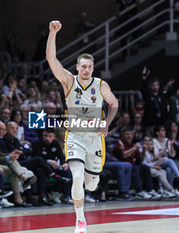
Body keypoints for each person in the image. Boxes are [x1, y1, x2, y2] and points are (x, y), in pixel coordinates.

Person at [46, 20, 118, 233]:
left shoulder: (100, 85)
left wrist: (107, 122)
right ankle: (80, 221)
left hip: (95, 139)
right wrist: (53, 33)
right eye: (82, 66)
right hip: (74, 136)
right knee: (76, 177)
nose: (86, 70)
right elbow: (51, 58)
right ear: (77, 67)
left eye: (89, 67)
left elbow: (114, 103)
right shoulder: (69, 81)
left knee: (91, 185)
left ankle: (90, 185)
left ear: (93, 68)